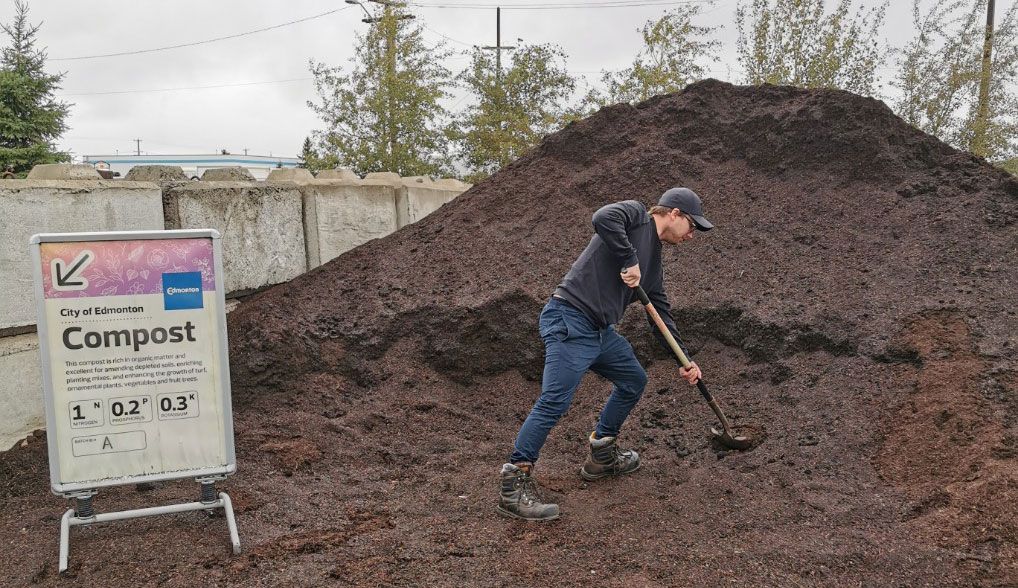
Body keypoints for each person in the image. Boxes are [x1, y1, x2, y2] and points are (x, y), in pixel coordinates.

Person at [497, 187, 714, 522]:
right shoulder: (634, 215)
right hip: (569, 318)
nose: (692, 235)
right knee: (555, 400)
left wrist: (685, 360)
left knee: (633, 380)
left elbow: (662, 316)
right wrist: (629, 260)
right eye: (692, 226)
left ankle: (602, 453)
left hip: (601, 332)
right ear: (674, 214)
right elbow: (602, 217)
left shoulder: (654, 265)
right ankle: (514, 483)